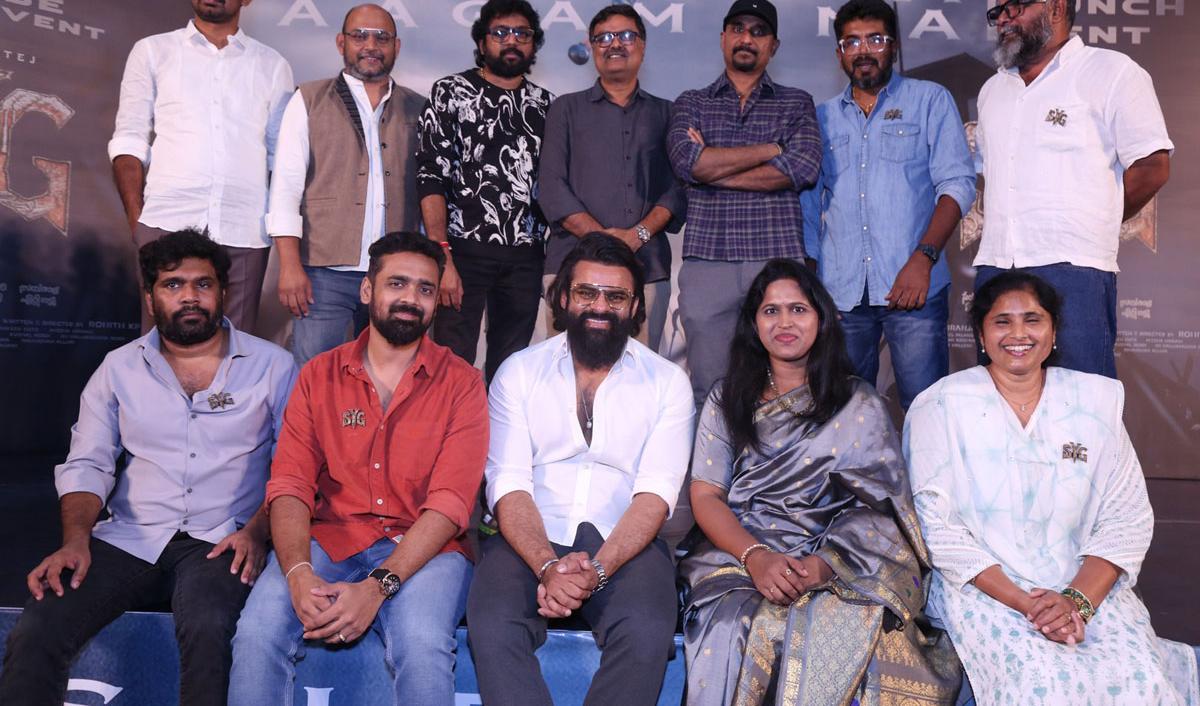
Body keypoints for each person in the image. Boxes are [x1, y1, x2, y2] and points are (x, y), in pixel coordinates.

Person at [0, 230, 297, 706]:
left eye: (203, 284)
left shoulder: (274, 367)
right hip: (131, 536)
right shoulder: (117, 368)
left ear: (224, 291)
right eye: (173, 285)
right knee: (38, 626)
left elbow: (294, 467)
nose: (189, 297)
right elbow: (88, 461)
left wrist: (259, 533)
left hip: (224, 539)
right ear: (150, 295)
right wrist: (75, 540)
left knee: (210, 627)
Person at [903, 270, 1199, 705]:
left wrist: (1074, 602)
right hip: (986, 589)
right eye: (1002, 321)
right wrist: (1028, 604)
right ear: (981, 336)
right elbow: (939, 530)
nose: (1018, 333)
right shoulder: (941, 405)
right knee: (1040, 682)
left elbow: (1127, 518)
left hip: (1083, 583)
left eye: (1033, 319)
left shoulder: (1092, 402)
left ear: (1054, 331)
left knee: (1140, 679)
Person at [680, 258, 961, 706]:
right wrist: (757, 558)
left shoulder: (858, 402)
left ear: (822, 319)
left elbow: (881, 511)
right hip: (739, 553)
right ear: (754, 324)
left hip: (837, 556)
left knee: (861, 628)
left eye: (798, 309)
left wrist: (824, 565)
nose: (784, 322)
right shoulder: (726, 397)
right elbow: (706, 495)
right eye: (771, 311)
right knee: (733, 625)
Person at [227, 231, 488, 706]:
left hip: (426, 548)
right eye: (397, 284)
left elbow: (452, 503)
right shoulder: (318, 375)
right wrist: (299, 573)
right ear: (368, 290)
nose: (411, 299)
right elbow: (289, 485)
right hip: (332, 538)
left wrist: (377, 587)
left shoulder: (463, 383)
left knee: (423, 644)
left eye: (425, 289)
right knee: (257, 634)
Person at [466, 232, 694, 706]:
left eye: (616, 296)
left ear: (634, 307)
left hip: (623, 539)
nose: (600, 306)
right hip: (530, 531)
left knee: (649, 628)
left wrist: (598, 570)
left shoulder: (668, 383)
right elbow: (508, 484)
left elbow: (656, 494)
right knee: (492, 623)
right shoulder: (519, 371)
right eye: (587, 293)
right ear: (564, 298)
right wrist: (547, 565)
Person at [973, 0, 1172, 378]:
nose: (1004, 19)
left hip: (1074, 268)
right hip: (996, 266)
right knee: (999, 399)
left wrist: (1094, 221)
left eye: (1016, 7)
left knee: (1083, 397)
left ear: (1056, 8)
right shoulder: (993, 89)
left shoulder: (1112, 72)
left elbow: (1153, 166)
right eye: (999, 11)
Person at [109, 0, 293, 333]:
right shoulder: (152, 51)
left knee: (236, 347)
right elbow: (129, 140)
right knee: (161, 344)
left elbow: (281, 160)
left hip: (244, 229)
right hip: (165, 223)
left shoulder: (273, 65)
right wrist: (138, 220)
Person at [802, 0, 975, 410]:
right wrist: (812, 286)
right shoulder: (821, 116)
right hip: (841, 294)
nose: (863, 51)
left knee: (925, 412)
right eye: (851, 42)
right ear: (839, 52)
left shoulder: (930, 99)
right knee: (843, 414)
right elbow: (808, 204)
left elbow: (958, 184)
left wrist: (924, 258)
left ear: (894, 45)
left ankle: (925, 480)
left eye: (874, 39)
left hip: (913, 288)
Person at [668, 0, 821, 408]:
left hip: (776, 261)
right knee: (709, 390)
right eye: (737, 29)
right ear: (722, 39)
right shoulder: (691, 102)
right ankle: (708, 475)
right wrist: (772, 147)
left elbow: (801, 168)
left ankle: (779, 474)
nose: (746, 38)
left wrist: (713, 169)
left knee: (784, 388)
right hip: (707, 261)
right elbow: (689, 164)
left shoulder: (796, 102)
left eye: (758, 31)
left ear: (774, 45)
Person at [267, 3, 426, 366]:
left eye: (382, 37)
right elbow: (286, 187)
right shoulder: (307, 99)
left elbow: (430, 194)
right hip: (323, 276)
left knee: (391, 377)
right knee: (315, 379)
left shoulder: (419, 108)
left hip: (395, 276)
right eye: (359, 36)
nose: (370, 45)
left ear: (396, 47)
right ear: (341, 43)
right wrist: (290, 267)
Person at [416, 0, 554, 383]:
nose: (512, 40)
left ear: (533, 45)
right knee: (449, 367)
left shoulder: (547, 105)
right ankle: (448, 443)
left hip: (526, 259)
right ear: (482, 42)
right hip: (462, 254)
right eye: (501, 32)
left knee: (511, 372)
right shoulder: (450, 92)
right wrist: (443, 256)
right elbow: (430, 175)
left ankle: (499, 445)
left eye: (523, 34)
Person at [538, 4, 685, 353]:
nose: (614, 44)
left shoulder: (669, 113)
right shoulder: (565, 109)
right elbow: (551, 187)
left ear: (643, 45)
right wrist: (605, 244)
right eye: (603, 37)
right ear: (591, 47)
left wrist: (639, 234)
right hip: (569, 268)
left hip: (646, 268)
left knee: (639, 378)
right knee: (563, 374)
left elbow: (679, 188)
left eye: (625, 35)